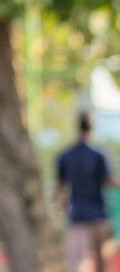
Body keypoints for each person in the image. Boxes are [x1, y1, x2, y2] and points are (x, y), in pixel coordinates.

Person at [56, 112, 114, 272]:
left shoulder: (65, 156)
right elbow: (108, 181)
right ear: (91, 128)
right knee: (102, 265)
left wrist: (63, 210)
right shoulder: (100, 154)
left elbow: (62, 188)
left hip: (77, 217)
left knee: (78, 265)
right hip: (99, 214)